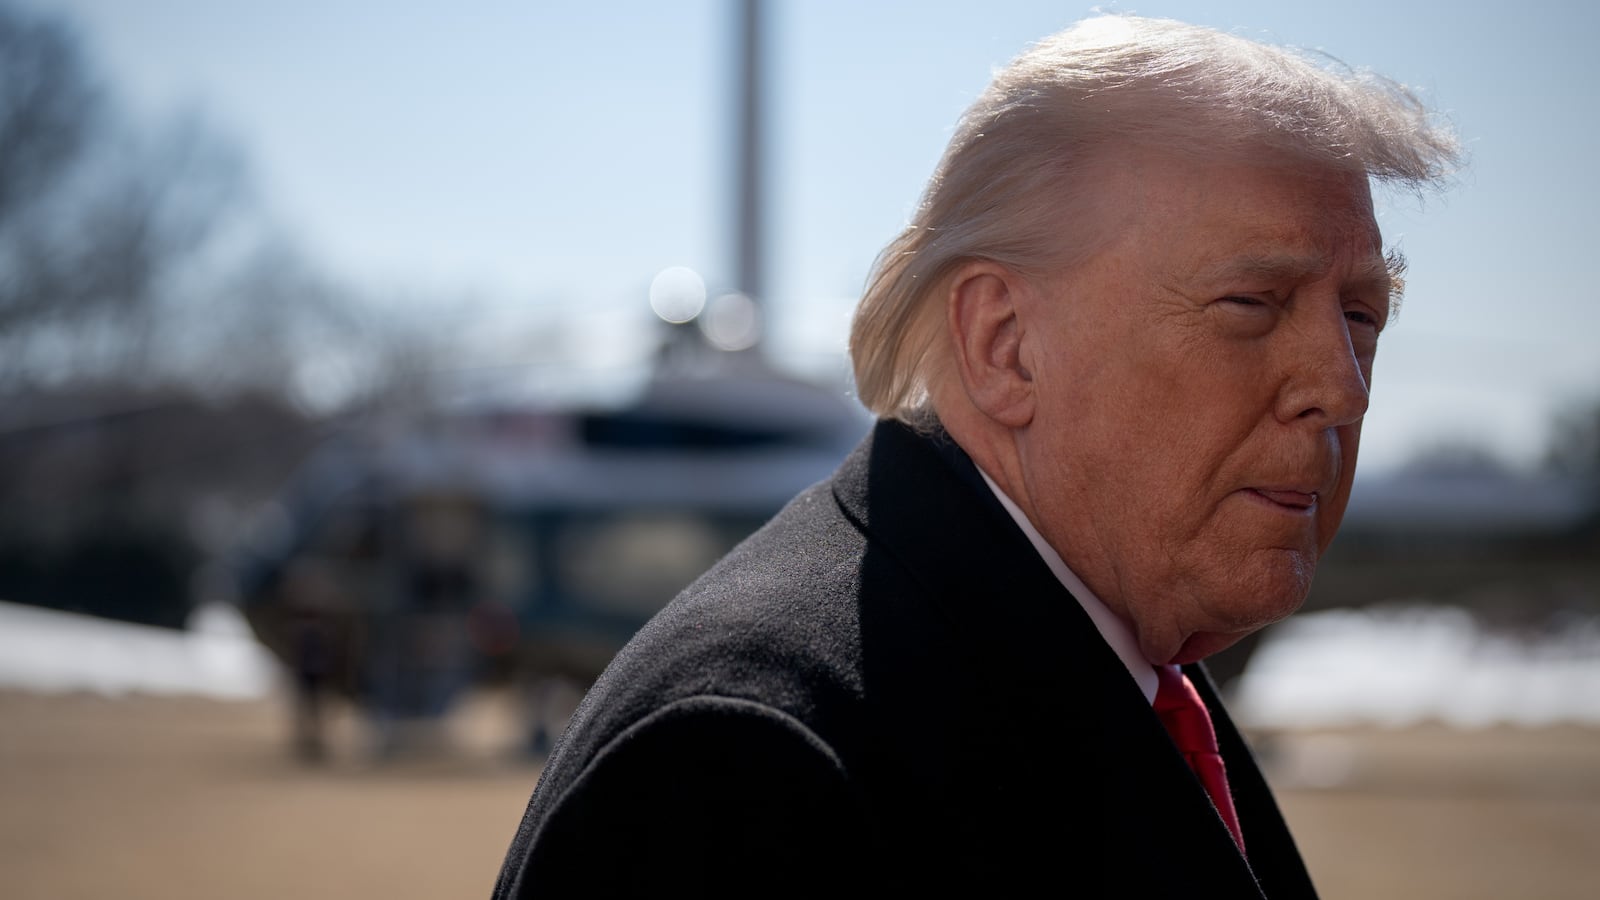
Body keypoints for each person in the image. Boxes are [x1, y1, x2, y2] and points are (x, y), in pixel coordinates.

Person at [491, 15, 1457, 897]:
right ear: (1004, 345)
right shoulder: (748, 763)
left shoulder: (1119, 669)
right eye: (1251, 303)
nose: (1342, 387)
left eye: (1361, 317)